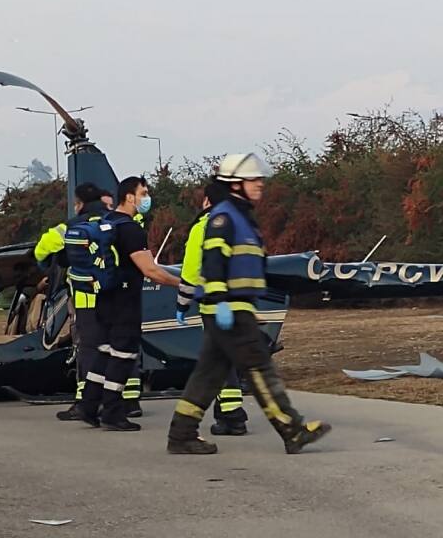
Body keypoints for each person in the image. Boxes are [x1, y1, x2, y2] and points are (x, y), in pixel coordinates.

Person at [168, 153, 331, 454]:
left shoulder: (241, 218)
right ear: (235, 185)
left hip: (235, 307)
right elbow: (213, 263)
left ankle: (181, 434)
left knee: (209, 374)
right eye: (253, 180)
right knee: (259, 368)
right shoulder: (224, 218)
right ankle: (292, 429)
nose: (260, 184)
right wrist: (220, 301)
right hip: (228, 308)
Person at [77, 176, 180, 431]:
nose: (147, 198)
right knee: (124, 354)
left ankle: (88, 405)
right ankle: (112, 412)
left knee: (104, 351)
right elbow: (150, 270)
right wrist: (182, 283)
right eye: (143, 193)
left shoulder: (106, 222)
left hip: (104, 297)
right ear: (130, 197)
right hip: (124, 301)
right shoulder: (131, 229)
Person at [35, 183, 142, 420]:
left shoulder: (70, 226)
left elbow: (41, 250)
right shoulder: (116, 221)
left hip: (86, 298)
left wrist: (49, 265)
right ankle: (129, 399)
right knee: (120, 346)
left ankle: (86, 401)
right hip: (114, 295)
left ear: (79, 203)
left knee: (90, 347)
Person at [176, 180, 248, 436]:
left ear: (207, 201)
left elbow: (191, 270)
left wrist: (182, 303)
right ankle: (230, 412)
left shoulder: (203, 226)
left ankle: (232, 415)